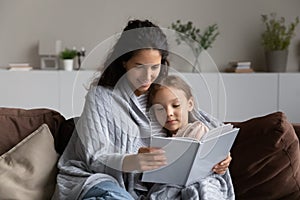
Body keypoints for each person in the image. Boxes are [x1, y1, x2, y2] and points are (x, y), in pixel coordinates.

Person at [52, 19, 232, 200]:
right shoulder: (101, 97)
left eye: (155, 67)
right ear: (124, 62)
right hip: (101, 181)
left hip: (151, 192)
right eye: (139, 67)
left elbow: (203, 124)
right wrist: (133, 161)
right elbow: (95, 158)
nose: (148, 77)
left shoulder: (161, 92)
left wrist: (220, 155)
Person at [146, 75, 234, 199]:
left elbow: (217, 160)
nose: (169, 113)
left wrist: (222, 159)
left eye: (176, 105)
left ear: (190, 104)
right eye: (160, 109)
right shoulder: (156, 141)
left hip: (204, 181)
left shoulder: (199, 129)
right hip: (170, 187)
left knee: (204, 190)